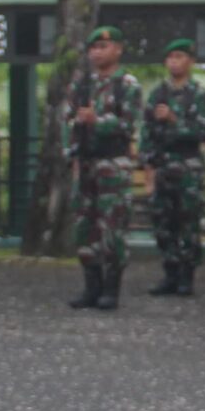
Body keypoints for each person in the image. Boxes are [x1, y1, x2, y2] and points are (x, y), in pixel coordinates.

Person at [64, 24, 144, 311]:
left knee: (112, 226)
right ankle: (91, 285)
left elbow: (129, 124)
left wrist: (97, 121)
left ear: (118, 50)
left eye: (103, 47)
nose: (97, 53)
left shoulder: (127, 85)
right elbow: (68, 120)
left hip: (113, 163)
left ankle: (111, 288)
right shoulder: (82, 84)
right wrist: (71, 152)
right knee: (85, 226)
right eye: (93, 48)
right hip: (86, 162)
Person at [141, 37, 205, 297]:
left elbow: (203, 132)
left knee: (187, 221)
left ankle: (186, 275)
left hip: (187, 165)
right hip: (162, 164)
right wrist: (148, 168)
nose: (174, 62)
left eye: (180, 57)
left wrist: (175, 120)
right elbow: (147, 131)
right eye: (171, 57)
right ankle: (170, 272)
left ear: (191, 62)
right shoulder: (157, 94)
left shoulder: (199, 94)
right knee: (163, 221)